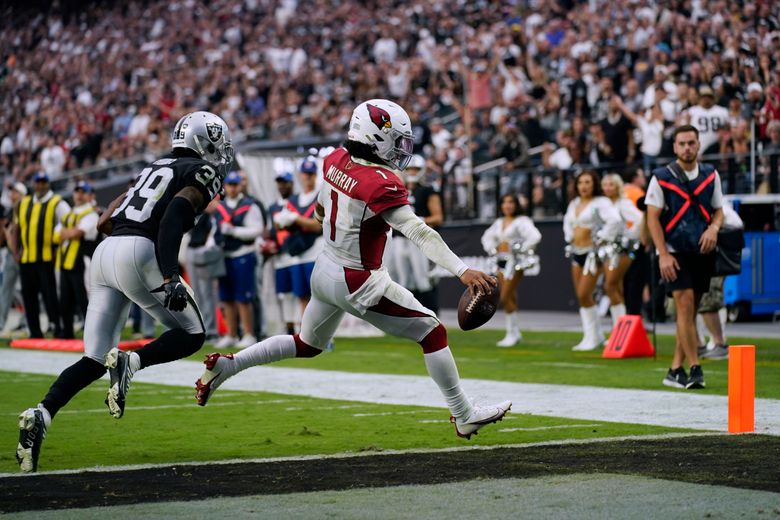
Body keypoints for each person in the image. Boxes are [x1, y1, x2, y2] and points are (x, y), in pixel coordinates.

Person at [196, 99, 511, 440]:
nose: (400, 150)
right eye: (397, 141)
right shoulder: (379, 181)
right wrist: (462, 270)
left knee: (307, 343)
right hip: (359, 280)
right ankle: (463, 414)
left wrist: (324, 217)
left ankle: (230, 364)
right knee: (433, 332)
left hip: (325, 268)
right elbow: (419, 231)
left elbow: (319, 205)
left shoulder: (336, 159)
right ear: (376, 137)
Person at [16, 111, 233, 473]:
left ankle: (41, 414)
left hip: (107, 252)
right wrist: (169, 275)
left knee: (93, 358)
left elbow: (104, 219)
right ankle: (132, 361)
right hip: (142, 251)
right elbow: (174, 216)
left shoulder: (154, 166)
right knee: (193, 333)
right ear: (203, 141)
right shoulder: (201, 172)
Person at [646, 124, 723, 390]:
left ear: (699, 144)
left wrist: (714, 227)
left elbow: (718, 210)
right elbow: (652, 218)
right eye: (682, 143)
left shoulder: (710, 174)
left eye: (691, 142)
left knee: (688, 313)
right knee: (685, 304)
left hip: (702, 251)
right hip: (674, 252)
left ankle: (674, 368)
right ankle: (695, 368)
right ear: (675, 147)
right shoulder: (661, 176)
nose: (687, 147)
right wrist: (663, 254)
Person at [563, 170, 622, 351]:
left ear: (594, 184)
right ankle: (592, 336)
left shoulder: (601, 202)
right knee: (582, 297)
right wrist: (569, 237)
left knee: (584, 293)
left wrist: (601, 237)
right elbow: (567, 223)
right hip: (576, 252)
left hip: (592, 254)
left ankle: (597, 336)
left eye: (588, 182)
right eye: (581, 182)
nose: (584, 186)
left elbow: (615, 221)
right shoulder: (574, 203)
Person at [13, 172, 70, 338]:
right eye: (37, 182)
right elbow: (16, 229)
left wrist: (58, 251)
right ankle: (34, 331)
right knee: (29, 298)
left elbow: (68, 224)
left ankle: (57, 327)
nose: (40, 185)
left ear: (48, 184)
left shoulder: (57, 203)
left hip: (47, 258)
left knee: (50, 296)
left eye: (43, 182)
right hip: (26, 258)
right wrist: (16, 251)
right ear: (33, 184)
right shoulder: (23, 203)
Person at [480, 193, 541, 347]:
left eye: (511, 202)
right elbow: (486, 238)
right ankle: (513, 333)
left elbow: (535, 236)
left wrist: (517, 248)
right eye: (504, 202)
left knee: (505, 296)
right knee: (510, 297)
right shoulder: (499, 222)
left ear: (516, 205)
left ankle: (513, 333)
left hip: (515, 263)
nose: (507, 205)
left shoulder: (522, 221)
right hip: (501, 262)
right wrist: (493, 249)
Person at [386, 154, 443, 313]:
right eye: (409, 168)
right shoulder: (398, 189)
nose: (412, 172)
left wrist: (419, 220)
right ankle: (411, 314)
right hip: (399, 238)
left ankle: (431, 314)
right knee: (403, 280)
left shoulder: (427, 189)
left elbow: (438, 217)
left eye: (415, 169)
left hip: (418, 239)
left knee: (422, 279)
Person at [214, 171, 264, 349]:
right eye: (230, 185)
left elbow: (257, 230)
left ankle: (249, 333)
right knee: (226, 297)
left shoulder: (249, 205)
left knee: (244, 297)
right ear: (225, 186)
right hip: (225, 256)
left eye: (235, 185)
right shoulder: (220, 207)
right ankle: (231, 334)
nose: (232, 188)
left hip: (244, 253)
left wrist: (234, 231)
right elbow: (215, 230)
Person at [271, 158, 324, 323]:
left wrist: (295, 219)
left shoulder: (320, 197)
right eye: (305, 174)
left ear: (315, 175)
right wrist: (283, 222)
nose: (308, 177)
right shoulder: (293, 200)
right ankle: (306, 331)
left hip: (315, 251)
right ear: (300, 175)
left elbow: (318, 225)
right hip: (298, 252)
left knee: (318, 296)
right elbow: (279, 225)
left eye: (311, 174)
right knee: (302, 296)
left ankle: (322, 333)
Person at [697, 202, 744, 361]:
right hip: (714, 249)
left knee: (709, 297)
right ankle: (707, 343)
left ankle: (719, 343)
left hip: (718, 250)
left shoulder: (711, 202)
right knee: (706, 298)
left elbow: (731, 223)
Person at [54, 181, 99, 339]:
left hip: (82, 261)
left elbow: (77, 233)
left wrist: (68, 232)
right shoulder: (69, 214)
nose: (78, 195)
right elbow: (56, 235)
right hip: (66, 261)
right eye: (77, 191)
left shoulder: (91, 213)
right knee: (65, 299)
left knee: (84, 299)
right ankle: (67, 332)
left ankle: (92, 334)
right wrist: (70, 232)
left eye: (82, 192)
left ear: (88, 195)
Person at [600, 174, 643, 332]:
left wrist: (630, 236)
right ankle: (619, 328)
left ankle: (621, 329)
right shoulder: (603, 204)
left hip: (621, 249)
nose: (608, 188)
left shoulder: (623, 203)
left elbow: (640, 218)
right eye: (605, 184)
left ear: (617, 186)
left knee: (610, 285)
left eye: (611, 184)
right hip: (607, 249)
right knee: (615, 287)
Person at [266, 172, 301, 334]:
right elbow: (270, 232)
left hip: (297, 254)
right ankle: (289, 327)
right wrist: (268, 244)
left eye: (285, 183)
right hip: (280, 256)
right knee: (285, 293)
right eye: (280, 183)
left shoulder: (298, 203)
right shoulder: (273, 207)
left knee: (300, 293)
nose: (282, 186)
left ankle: (301, 327)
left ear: (292, 184)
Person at [0, 182, 27, 331]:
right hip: (12, 254)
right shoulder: (10, 211)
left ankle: (25, 322)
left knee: (26, 290)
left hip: (25, 253)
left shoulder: (27, 209)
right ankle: (1, 323)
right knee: (6, 289)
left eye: (15, 192)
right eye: (11, 192)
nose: (12, 194)